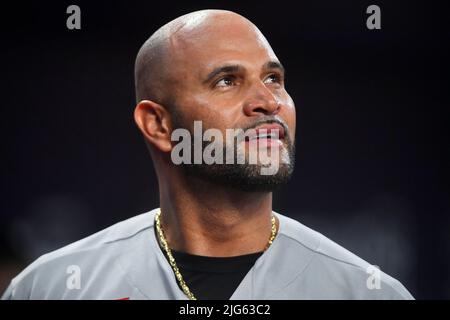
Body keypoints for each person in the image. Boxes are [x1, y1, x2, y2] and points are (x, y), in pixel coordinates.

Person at [2, 9, 413, 300]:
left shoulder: (366, 292)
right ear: (159, 126)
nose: (268, 101)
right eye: (226, 81)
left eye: (274, 78)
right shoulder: (52, 288)